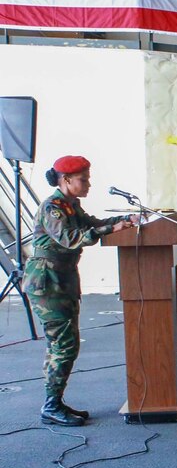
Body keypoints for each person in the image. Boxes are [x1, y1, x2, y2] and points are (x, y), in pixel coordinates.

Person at [24, 155, 137, 426]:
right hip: (47, 282)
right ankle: (51, 406)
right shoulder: (53, 208)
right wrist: (113, 228)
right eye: (83, 179)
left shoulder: (70, 205)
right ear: (65, 180)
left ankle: (55, 402)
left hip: (60, 280)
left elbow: (91, 224)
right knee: (62, 345)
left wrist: (126, 218)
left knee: (65, 344)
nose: (88, 184)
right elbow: (72, 239)